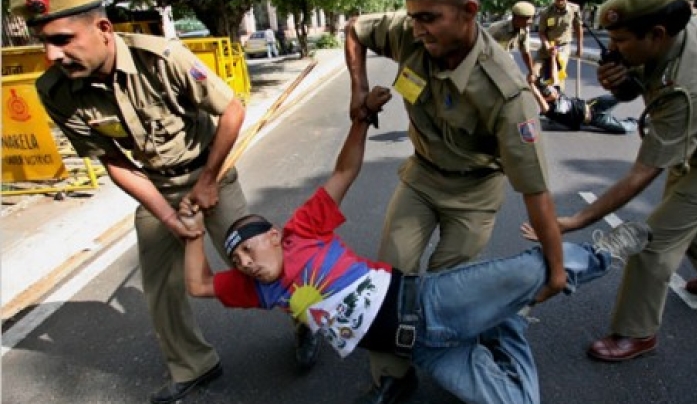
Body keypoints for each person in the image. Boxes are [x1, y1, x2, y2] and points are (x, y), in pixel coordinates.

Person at [178, 85, 653, 404]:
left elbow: (344, 173)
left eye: (249, 249)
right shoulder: (263, 291)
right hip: (426, 351)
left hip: (432, 304)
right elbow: (199, 285)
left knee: (532, 272)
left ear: (276, 235)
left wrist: (361, 120)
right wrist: (196, 231)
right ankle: (507, 321)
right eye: (237, 259)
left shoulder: (304, 230)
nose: (243, 263)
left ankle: (599, 253)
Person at [8, 0, 319, 403]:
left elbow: (231, 111)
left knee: (266, 265)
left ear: (101, 28)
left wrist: (208, 182)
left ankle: (305, 320)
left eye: (61, 39)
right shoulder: (56, 91)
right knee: (161, 290)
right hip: (157, 185)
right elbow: (115, 162)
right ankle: (195, 365)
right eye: (43, 42)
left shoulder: (162, 58)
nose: (51, 55)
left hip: (211, 173)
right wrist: (168, 217)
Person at [344, 0, 566, 402]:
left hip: (473, 193)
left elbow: (536, 192)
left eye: (429, 19)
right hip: (421, 178)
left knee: (450, 290)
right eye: (413, 18)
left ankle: (469, 347)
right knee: (393, 275)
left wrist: (556, 269)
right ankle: (393, 374)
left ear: (469, 11)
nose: (418, 30)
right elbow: (354, 28)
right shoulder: (408, 31)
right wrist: (357, 89)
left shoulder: (506, 93)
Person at [522, 0, 697, 362]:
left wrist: (576, 219)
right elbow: (642, 81)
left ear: (657, 33)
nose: (615, 50)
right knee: (684, 210)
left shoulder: (690, 85)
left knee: (650, 239)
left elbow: (643, 172)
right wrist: (624, 84)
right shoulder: (677, 24)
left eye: (622, 41)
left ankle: (635, 333)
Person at [535, 79, 638, 134]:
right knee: (624, 128)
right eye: (549, 91)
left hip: (594, 104)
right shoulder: (550, 110)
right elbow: (539, 98)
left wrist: (553, 56)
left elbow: (555, 75)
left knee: (622, 94)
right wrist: (531, 85)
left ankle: (644, 88)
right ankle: (641, 122)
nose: (553, 90)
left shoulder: (558, 93)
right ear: (546, 98)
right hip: (595, 119)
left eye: (551, 88)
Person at [534, 0, 583, 90]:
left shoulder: (574, 10)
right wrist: (547, 46)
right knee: (535, 73)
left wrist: (580, 48)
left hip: (562, 46)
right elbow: (541, 32)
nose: (560, 1)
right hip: (547, 46)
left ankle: (558, 96)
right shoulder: (546, 12)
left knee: (557, 73)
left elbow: (579, 28)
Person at [487, 1, 537, 81]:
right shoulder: (497, 29)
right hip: (489, 60)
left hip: (506, 58)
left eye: (531, 18)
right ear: (516, 18)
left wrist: (532, 72)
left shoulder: (524, 30)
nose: (530, 21)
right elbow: (481, 46)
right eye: (526, 18)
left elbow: (525, 52)